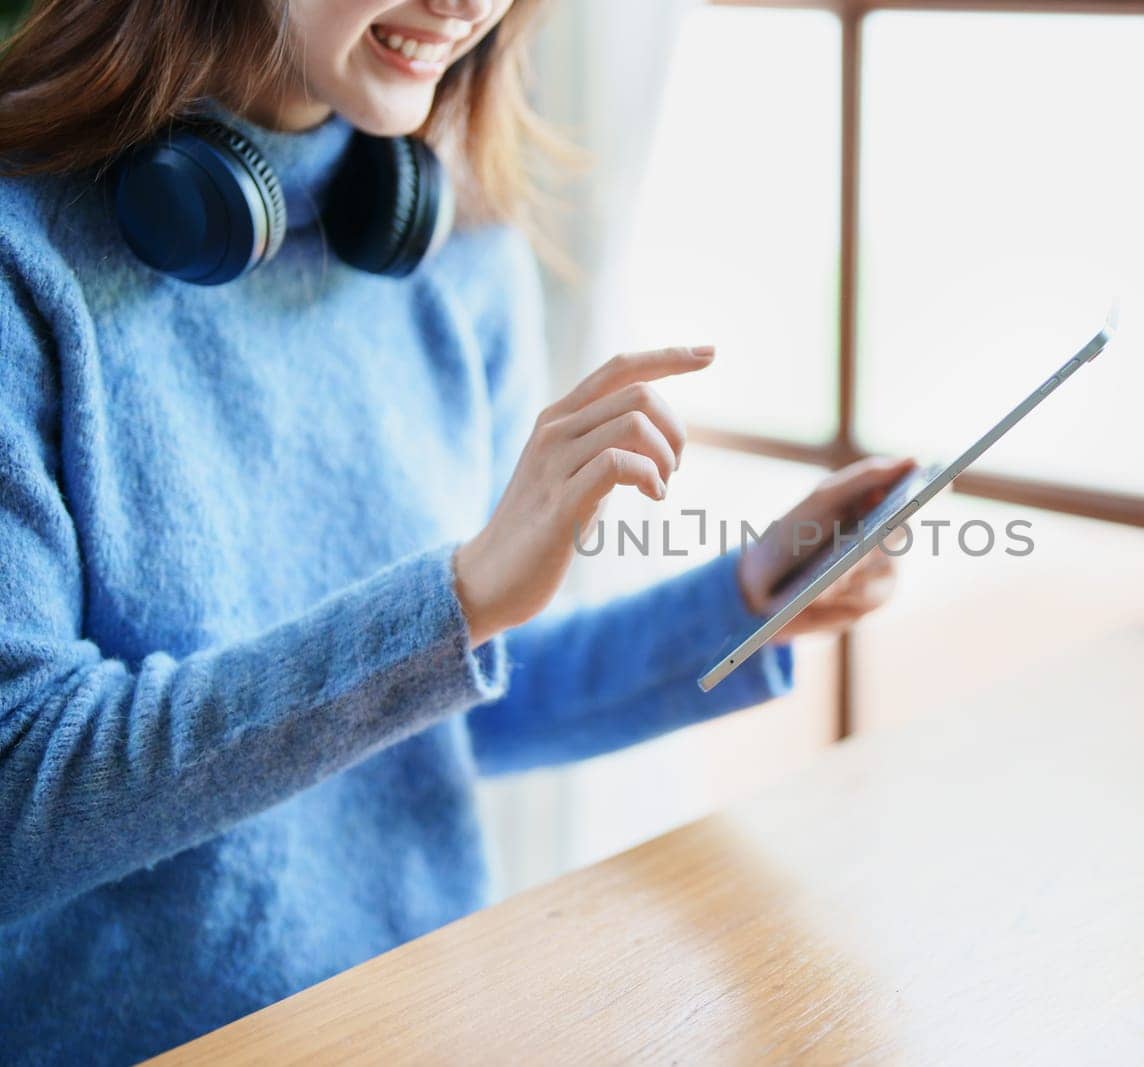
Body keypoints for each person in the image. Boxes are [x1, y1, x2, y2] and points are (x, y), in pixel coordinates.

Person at [0, 0, 908, 1060]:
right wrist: (457, 601)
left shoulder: (457, 255)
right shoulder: (25, 261)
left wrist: (745, 599)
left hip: (415, 1021)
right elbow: (20, 789)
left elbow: (447, 698)